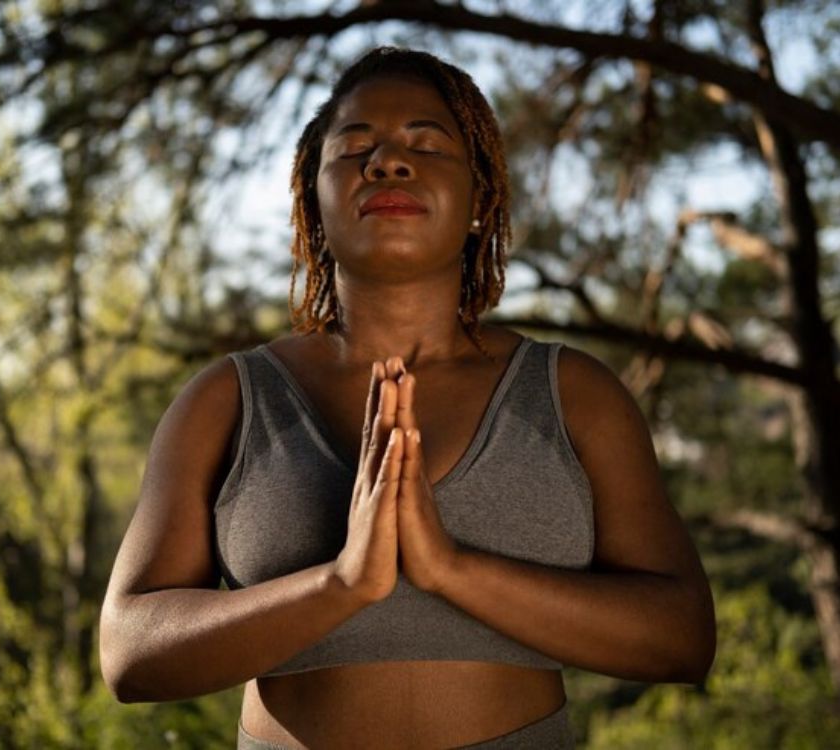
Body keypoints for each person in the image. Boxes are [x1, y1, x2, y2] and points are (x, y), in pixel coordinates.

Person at [99, 47, 716, 749]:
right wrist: (340, 583)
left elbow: (683, 638)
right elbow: (128, 656)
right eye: (355, 148)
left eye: (426, 145)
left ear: (481, 198)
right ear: (313, 201)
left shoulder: (575, 394)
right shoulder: (225, 401)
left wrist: (450, 568)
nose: (388, 163)